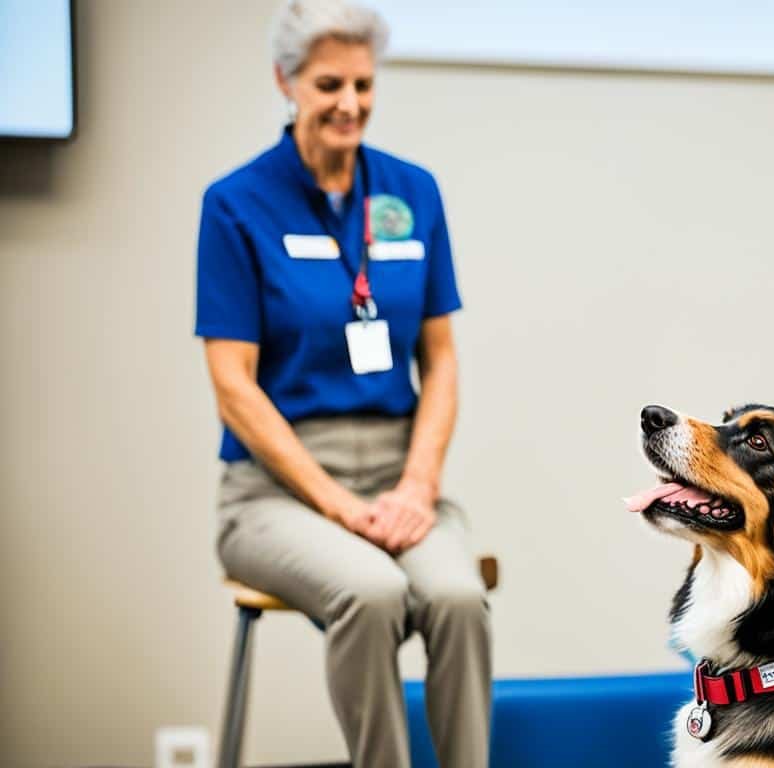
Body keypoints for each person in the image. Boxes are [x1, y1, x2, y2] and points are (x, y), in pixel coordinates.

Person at [194, 1, 489, 765]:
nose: (350, 103)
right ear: (285, 81)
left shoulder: (412, 193)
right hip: (273, 492)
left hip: (397, 478)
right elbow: (234, 387)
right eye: (329, 84)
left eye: (363, 83)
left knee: (457, 597)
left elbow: (443, 359)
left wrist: (418, 488)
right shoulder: (234, 205)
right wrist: (337, 505)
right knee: (373, 590)